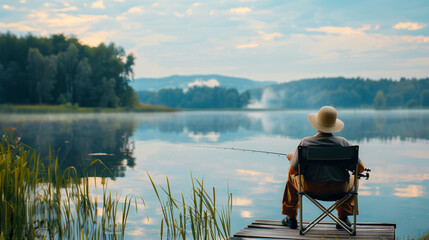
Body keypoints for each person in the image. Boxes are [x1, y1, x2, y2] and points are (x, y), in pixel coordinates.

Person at [281, 106, 365, 229]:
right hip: (339, 189)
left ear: (317, 125)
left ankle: (291, 218)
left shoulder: (306, 143)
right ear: (333, 125)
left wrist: (293, 158)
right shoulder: (343, 143)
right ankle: (342, 218)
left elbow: (292, 171)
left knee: (291, 175)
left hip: (311, 188)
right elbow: (361, 168)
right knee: (355, 175)